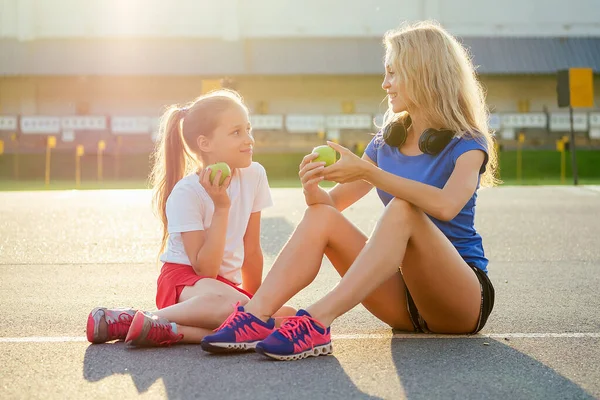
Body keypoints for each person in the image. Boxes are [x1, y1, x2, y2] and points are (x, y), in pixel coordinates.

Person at [200, 20, 498, 360]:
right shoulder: (386, 144)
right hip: (403, 301)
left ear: (422, 73)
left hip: (460, 300)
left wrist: (370, 173)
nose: (385, 84)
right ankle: (255, 316)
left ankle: (316, 321)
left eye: (393, 73)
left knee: (402, 209)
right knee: (322, 216)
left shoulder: (468, 143)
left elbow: (446, 206)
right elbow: (332, 205)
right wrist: (314, 192)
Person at [86, 89, 294, 347]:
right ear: (205, 144)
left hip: (222, 289)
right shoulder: (186, 192)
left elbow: (252, 251)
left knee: (287, 316)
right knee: (238, 308)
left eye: (248, 129)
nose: (249, 139)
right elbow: (203, 269)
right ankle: (133, 319)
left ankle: (171, 329)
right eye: (236, 132)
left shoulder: (255, 175)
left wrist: (256, 310)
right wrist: (221, 207)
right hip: (183, 283)